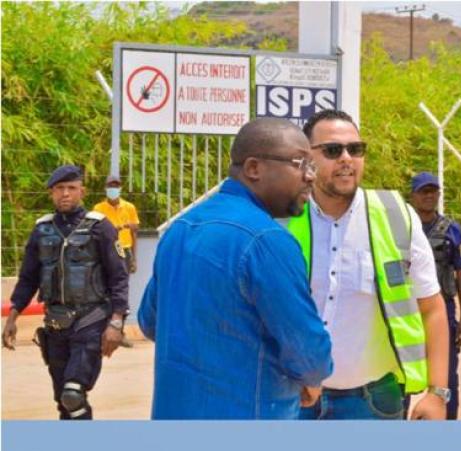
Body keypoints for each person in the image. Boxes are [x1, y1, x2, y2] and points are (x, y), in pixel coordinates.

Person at [138, 118, 332, 419]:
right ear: (254, 168)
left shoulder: (181, 229)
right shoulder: (268, 241)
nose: (310, 176)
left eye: (312, 166)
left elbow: (149, 321)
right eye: (300, 164)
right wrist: (311, 378)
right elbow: (309, 354)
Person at [289, 109, 449, 420]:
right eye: (333, 150)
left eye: (356, 149)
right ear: (308, 159)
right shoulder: (284, 218)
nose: (346, 158)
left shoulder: (395, 216)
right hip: (294, 395)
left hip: (374, 400)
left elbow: (432, 308)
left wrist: (437, 394)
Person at [3, 164, 127, 419]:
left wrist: (116, 321)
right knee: (64, 402)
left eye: (71, 188)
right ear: (52, 193)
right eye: (59, 188)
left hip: (90, 320)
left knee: (73, 393)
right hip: (55, 324)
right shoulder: (42, 230)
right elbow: (28, 278)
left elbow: (119, 276)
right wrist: (13, 316)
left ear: (82, 191)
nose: (65, 194)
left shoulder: (100, 227)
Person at [409, 171, 461, 420]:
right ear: (413, 196)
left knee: (446, 377)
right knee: (400, 374)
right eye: (424, 191)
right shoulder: (402, 227)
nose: (429, 196)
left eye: (433, 191)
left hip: (443, 309)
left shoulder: (452, 230)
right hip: (406, 310)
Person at [92, 171, 139, 346]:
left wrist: (134, 258)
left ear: (120, 188)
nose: (113, 189)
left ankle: (120, 331)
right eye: (110, 186)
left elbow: (134, 232)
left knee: (121, 290)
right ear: (105, 188)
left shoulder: (129, 207)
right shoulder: (98, 209)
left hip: (124, 251)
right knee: (103, 289)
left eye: (116, 186)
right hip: (106, 250)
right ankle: (102, 329)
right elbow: (94, 232)